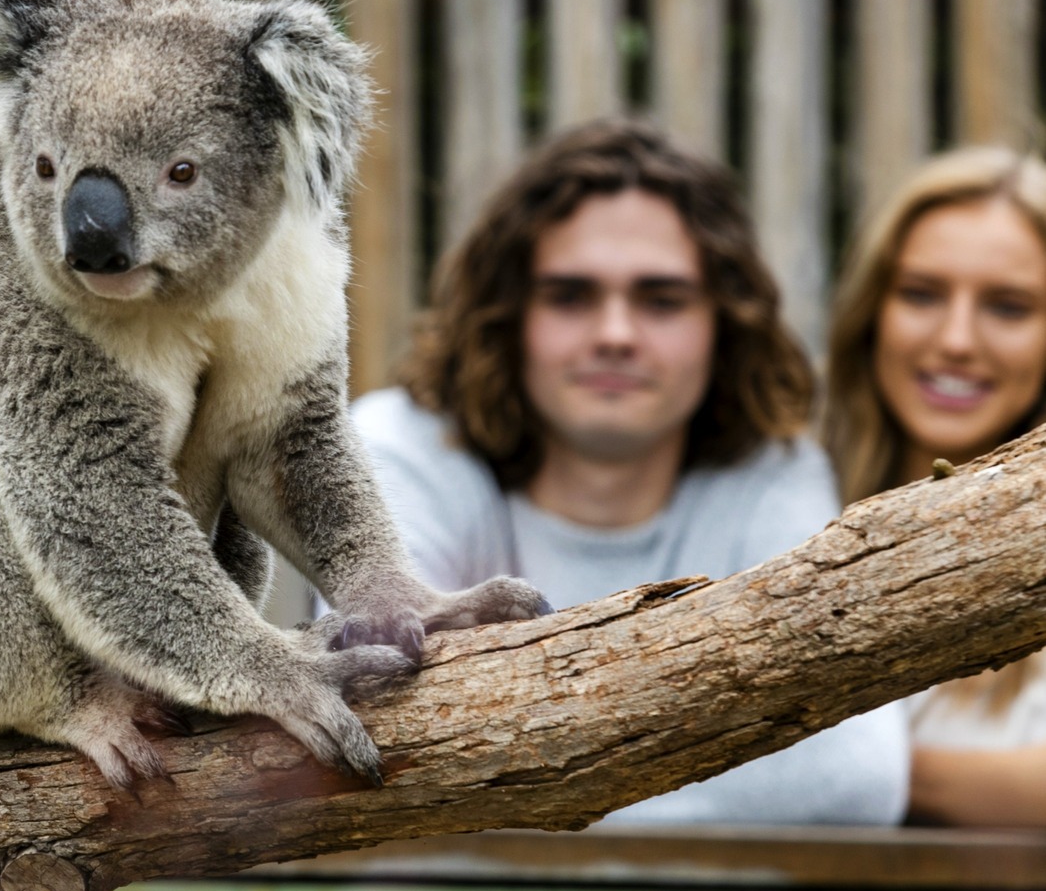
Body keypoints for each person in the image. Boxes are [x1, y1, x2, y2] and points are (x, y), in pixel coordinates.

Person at [354, 119, 909, 824]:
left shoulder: (771, 474)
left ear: (723, 322)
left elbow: (854, 777)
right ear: (510, 313)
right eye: (571, 295)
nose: (615, 333)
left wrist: (517, 790)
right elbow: (384, 729)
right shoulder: (404, 445)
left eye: (661, 299)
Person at [824, 147, 1046, 826]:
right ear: (873, 311)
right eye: (921, 293)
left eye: (1007, 307)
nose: (955, 339)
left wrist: (823, 765)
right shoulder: (784, 498)